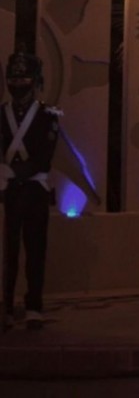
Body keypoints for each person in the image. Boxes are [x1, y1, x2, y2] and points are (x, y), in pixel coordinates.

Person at [0, 50, 61, 330]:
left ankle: (34, 305)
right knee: (6, 250)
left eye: (24, 76)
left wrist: (14, 171)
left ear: (35, 80)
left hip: (34, 189)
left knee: (35, 249)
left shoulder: (48, 115)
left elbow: (44, 155)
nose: (18, 82)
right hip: (6, 191)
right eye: (14, 76)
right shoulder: (2, 113)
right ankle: (6, 305)